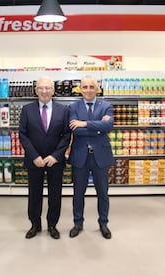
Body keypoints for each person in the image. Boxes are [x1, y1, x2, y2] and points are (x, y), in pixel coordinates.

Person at [19, 76, 71, 240]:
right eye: (41, 88)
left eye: (48, 88)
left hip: (55, 161)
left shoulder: (63, 110)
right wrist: (34, 156)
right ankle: (35, 224)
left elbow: (66, 135)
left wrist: (56, 156)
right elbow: (23, 135)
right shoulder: (27, 109)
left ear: (53, 90)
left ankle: (52, 225)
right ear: (36, 90)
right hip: (35, 160)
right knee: (34, 193)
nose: (44, 91)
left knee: (55, 194)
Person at [68, 75, 114, 239]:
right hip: (80, 155)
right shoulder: (73, 107)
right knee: (78, 193)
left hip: (101, 156)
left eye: (91, 87)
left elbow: (108, 126)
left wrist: (85, 123)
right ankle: (77, 223)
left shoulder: (106, 106)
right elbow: (75, 129)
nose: (88, 90)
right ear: (80, 89)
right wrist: (98, 126)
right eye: (85, 87)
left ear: (97, 89)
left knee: (103, 193)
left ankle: (103, 223)